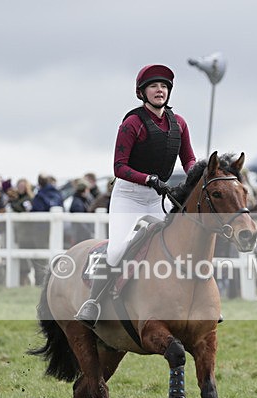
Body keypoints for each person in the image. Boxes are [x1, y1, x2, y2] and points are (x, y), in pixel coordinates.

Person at [76, 63, 197, 327]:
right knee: (117, 250)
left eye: (164, 86)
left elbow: (188, 158)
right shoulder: (132, 123)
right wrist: (148, 179)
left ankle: (194, 302)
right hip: (129, 196)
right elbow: (119, 167)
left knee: (179, 245)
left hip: (157, 197)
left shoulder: (179, 124)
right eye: (154, 86)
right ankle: (93, 302)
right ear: (142, 92)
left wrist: (196, 174)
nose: (160, 90)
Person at [69, 178, 94, 244]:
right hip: (80, 236)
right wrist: (89, 232)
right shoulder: (78, 203)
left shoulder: (81, 200)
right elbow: (80, 222)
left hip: (80, 235)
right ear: (85, 190)